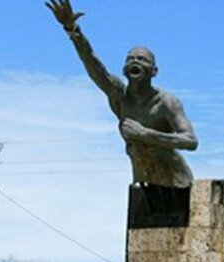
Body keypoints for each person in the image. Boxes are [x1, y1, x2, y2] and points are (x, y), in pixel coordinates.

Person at [47, 0, 198, 190]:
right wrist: (72, 28)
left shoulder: (167, 102)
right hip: (142, 183)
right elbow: (93, 64)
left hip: (175, 183)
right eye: (130, 59)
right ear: (125, 69)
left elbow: (190, 141)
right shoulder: (120, 95)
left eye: (142, 60)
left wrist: (144, 134)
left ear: (154, 71)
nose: (135, 61)